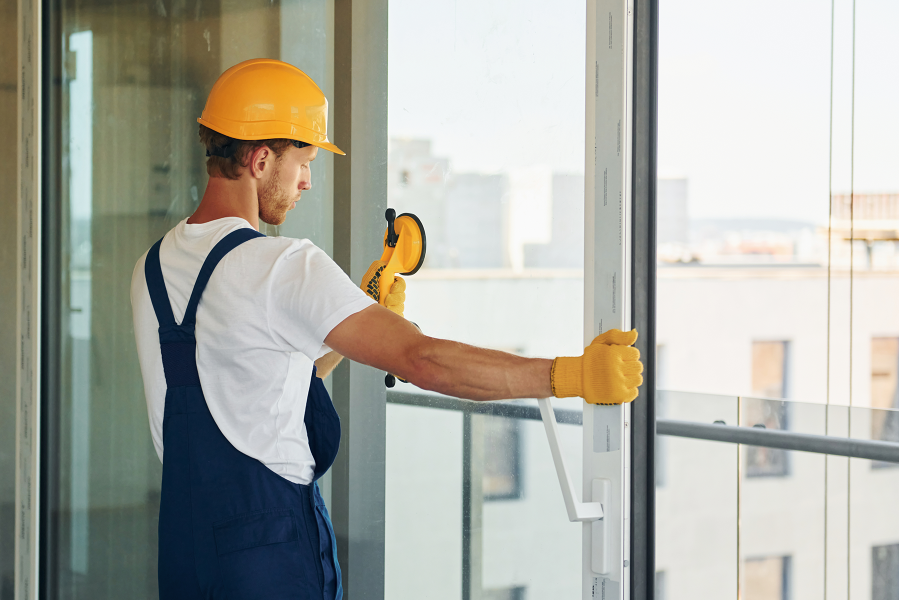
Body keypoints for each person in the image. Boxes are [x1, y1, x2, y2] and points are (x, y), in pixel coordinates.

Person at [131, 58, 643, 600]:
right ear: (260, 159)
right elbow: (422, 360)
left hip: (188, 556)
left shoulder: (151, 267)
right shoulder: (283, 264)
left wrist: (365, 312)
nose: (307, 179)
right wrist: (569, 375)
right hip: (272, 560)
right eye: (303, 160)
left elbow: (262, 383)